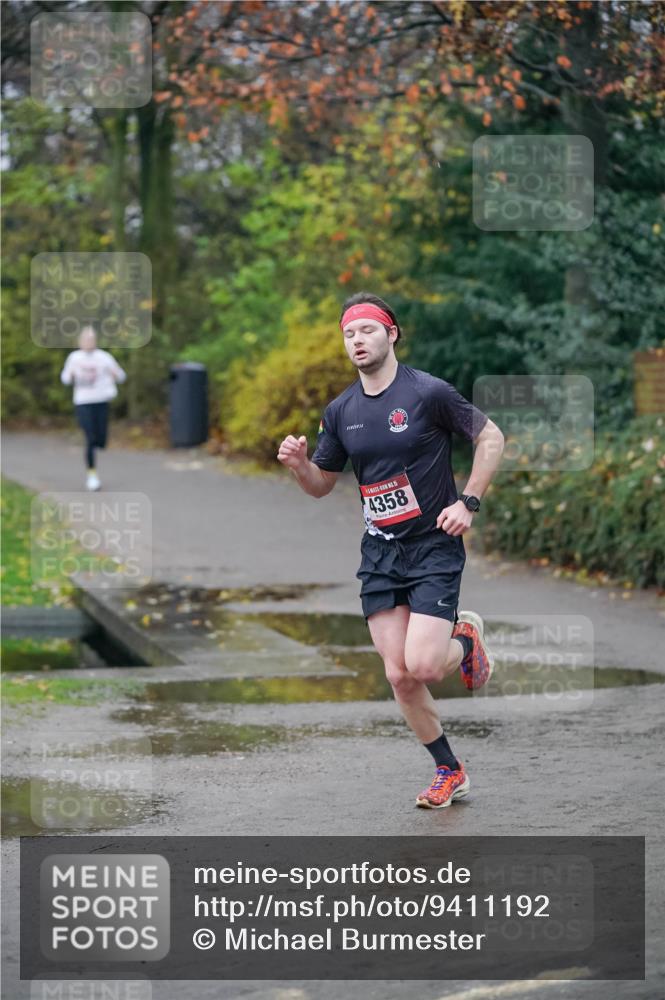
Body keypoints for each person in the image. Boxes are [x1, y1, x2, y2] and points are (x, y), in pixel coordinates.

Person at [277, 292, 505, 809]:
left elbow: (491, 438)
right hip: (381, 552)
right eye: (349, 334)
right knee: (398, 675)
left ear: (392, 334)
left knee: (423, 666)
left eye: (367, 331)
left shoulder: (428, 393)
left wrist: (468, 501)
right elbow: (321, 484)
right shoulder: (340, 411)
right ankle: (449, 770)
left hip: (433, 546)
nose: (357, 341)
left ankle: (465, 638)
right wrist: (298, 464)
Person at [60, 326, 126, 491]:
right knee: (89, 438)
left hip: (101, 401)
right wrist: (72, 375)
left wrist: (115, 373)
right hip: (83, 402)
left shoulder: (104, 357)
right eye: (85, 339)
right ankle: (92, 475)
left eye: (91, 339)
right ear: (80, 341)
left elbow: (122, 376)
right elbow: (65, 379)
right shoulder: (74, 358)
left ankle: (97, 444)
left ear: (95, 341)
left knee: (100, 440)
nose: (88, 342)